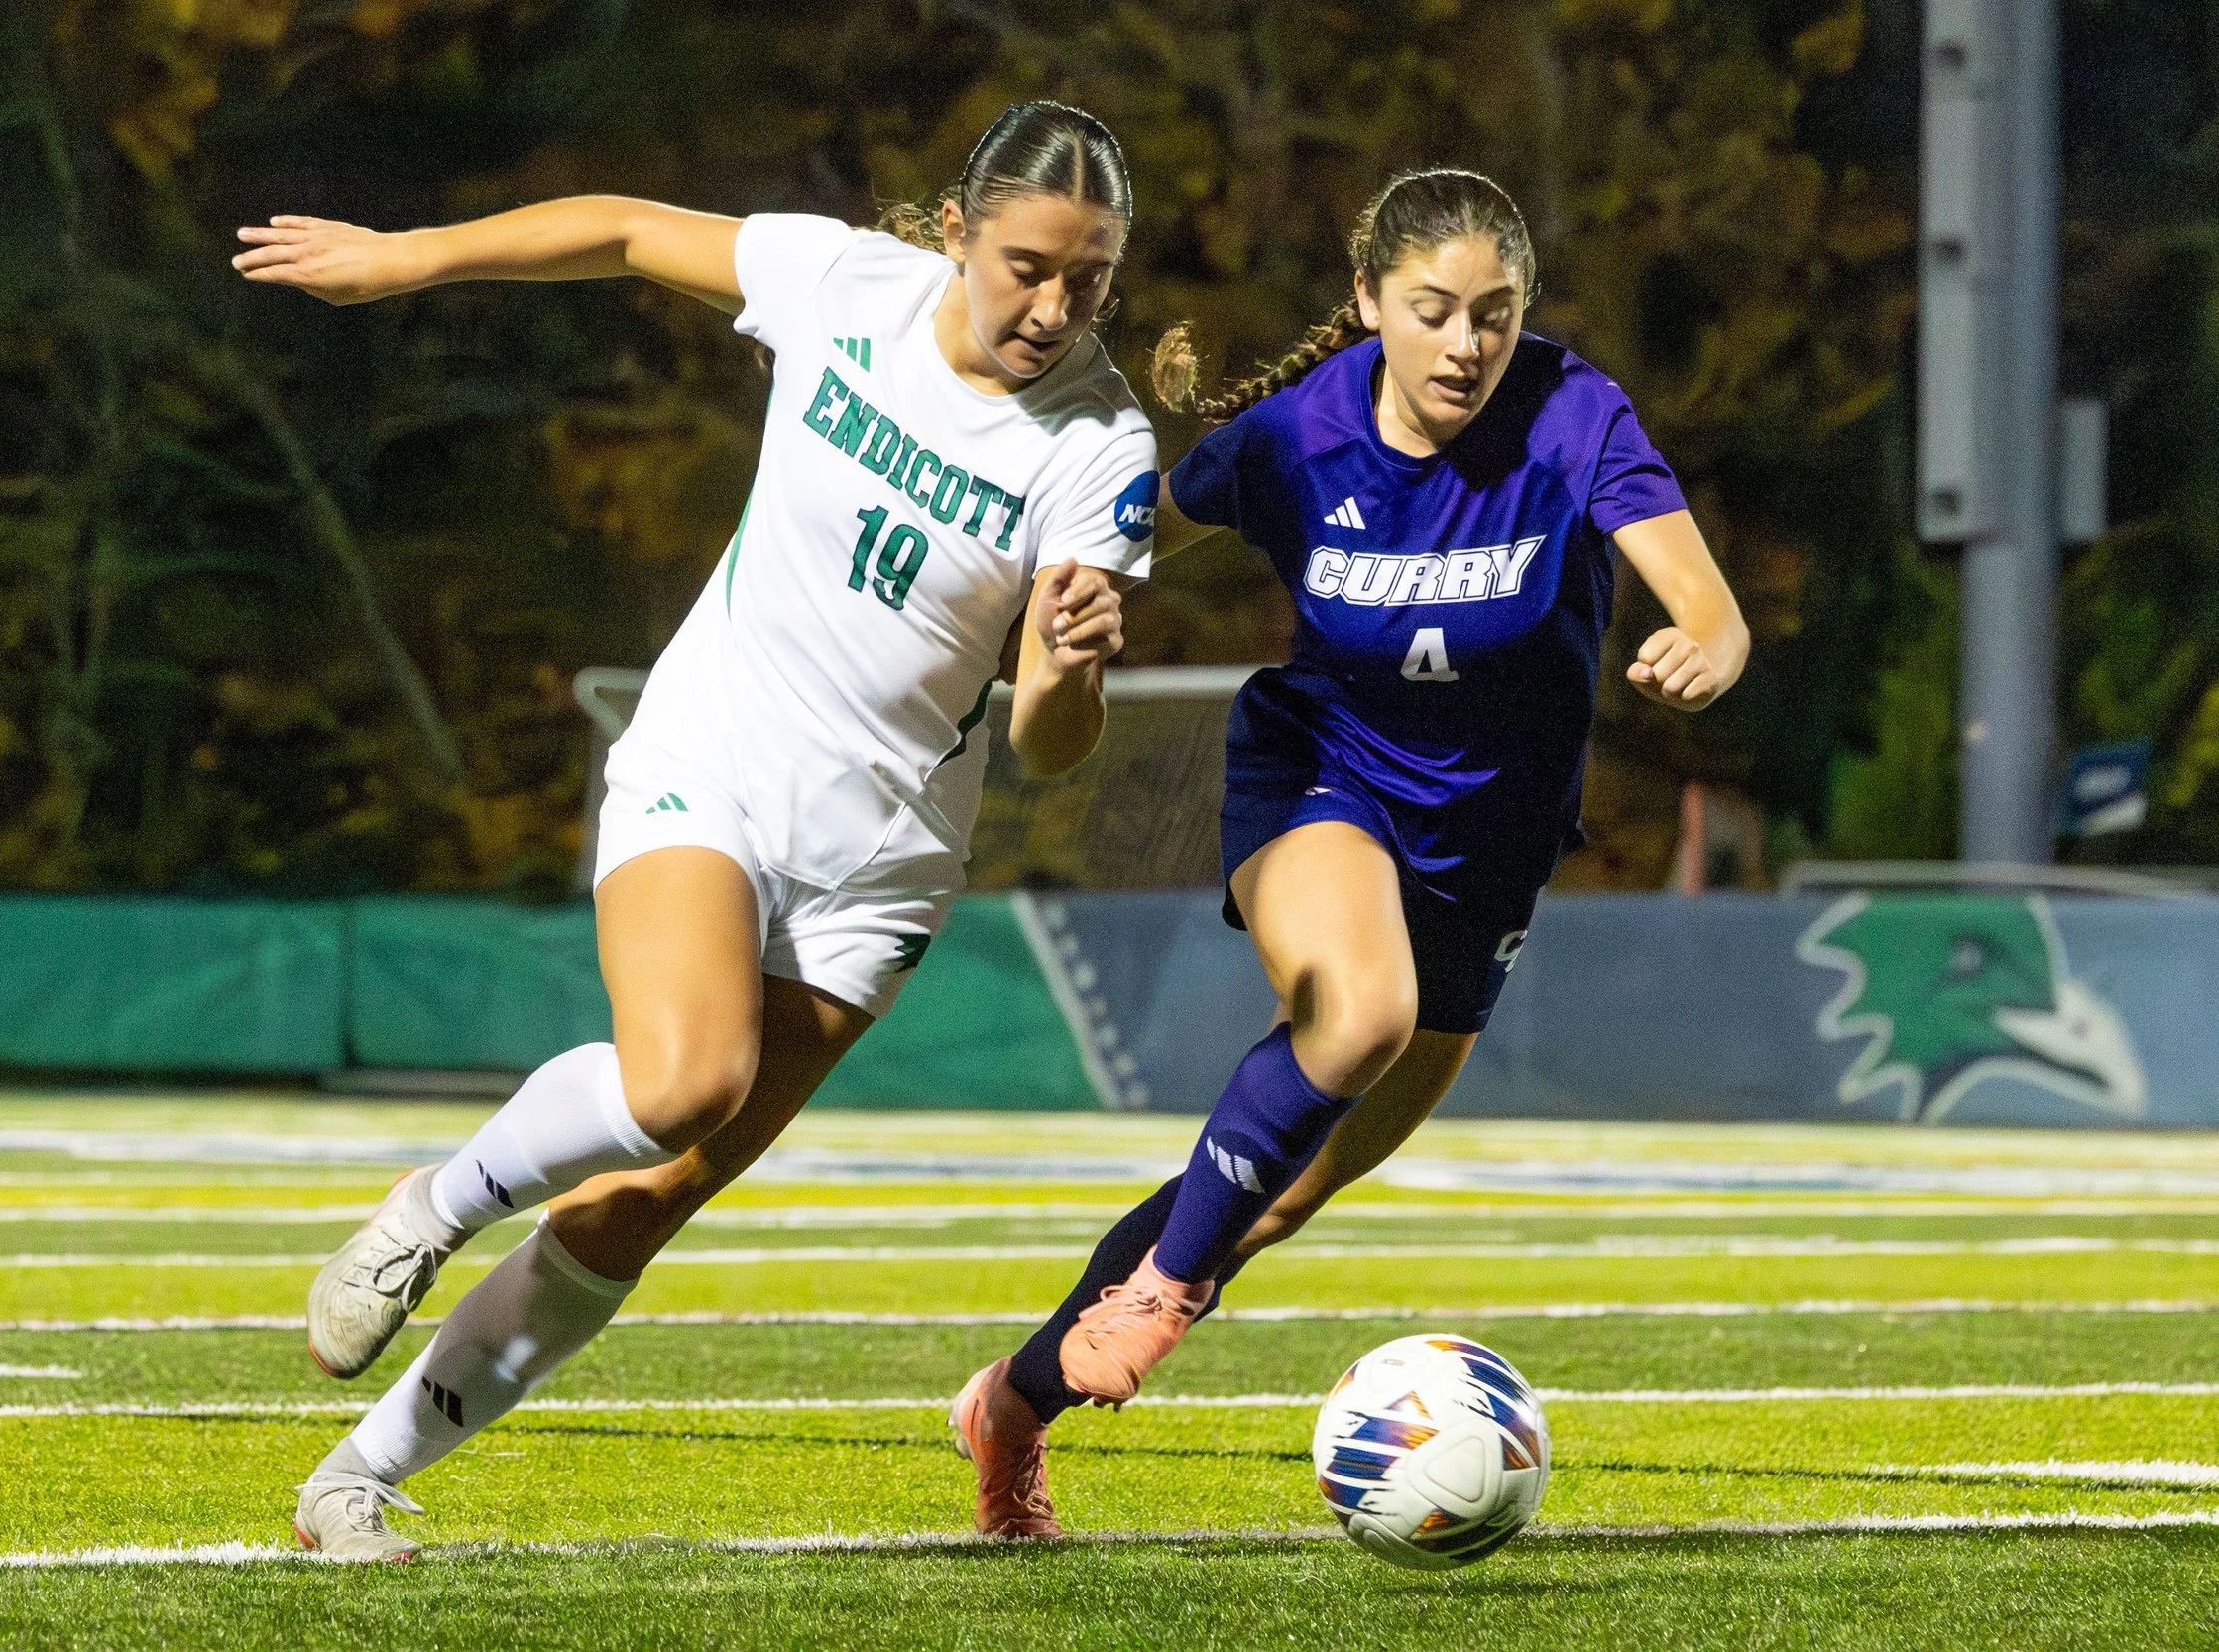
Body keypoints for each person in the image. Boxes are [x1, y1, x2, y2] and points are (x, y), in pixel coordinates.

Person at [232, 101, 1162, 1560]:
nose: (1053, 307)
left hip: (883, 863)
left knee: (649, 1198)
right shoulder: (844, 283)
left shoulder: (1104, 446)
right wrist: (410, 257)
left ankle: (357, 1478)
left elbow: (1049, 748)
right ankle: (434, 1204)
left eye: (1088, 279)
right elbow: (619, 227)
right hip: (714, 760)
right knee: (685, 1081)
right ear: (954, 235)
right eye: (1028, 266)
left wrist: (1066, 669)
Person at [950, 168, 1751, 1538]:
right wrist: (1056, 593)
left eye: (1494, 314)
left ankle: (1012, 1408)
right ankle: (1161, 1295)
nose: (1466, 344)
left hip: (1489, 854)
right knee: (1358, 1012)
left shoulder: (1572, 413)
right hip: (1321, 778)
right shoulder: (1297, 437)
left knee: (1271, 1197)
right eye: (1433, 310)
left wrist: (1706, 649)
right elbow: (1128, 527)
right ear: (1372, 300)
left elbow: (1713, 611)